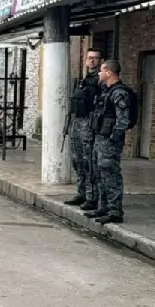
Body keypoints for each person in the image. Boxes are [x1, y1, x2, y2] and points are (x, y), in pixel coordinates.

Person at [84, 59, 130, 224]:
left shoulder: (119, 93)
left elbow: (122, 120)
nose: (99, 73)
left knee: (110, 174)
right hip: (100, 139)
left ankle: (115, 210)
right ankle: (103, 207)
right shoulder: (106, 91)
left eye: (102, 70)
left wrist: (114, 138)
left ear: (109, 72)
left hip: (109, 141)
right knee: (99, 173)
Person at [64, 48, 103, 211]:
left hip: (89, 123)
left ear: (100, 61)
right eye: (89, 58)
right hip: (78, 122)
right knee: (77, 161)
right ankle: (81, 193)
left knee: (88, 162)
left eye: (95, 58)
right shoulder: (83, 80)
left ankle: (92, 196)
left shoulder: (101, 81)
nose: (92, 61)